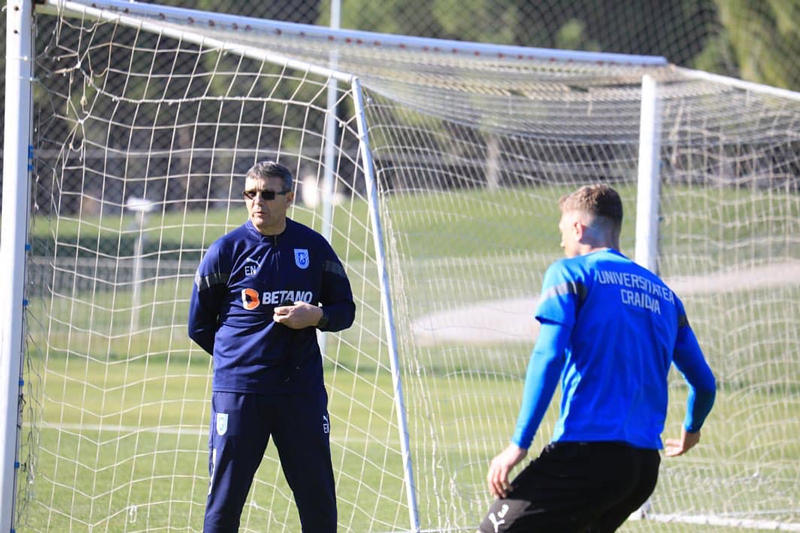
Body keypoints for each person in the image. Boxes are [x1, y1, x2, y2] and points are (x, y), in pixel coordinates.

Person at [480, 184, 716, 533]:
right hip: (641, 468)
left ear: (578, 228)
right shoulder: (666, 297)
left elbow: (548, 355)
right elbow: (705, 384)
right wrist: (691, 429)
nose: (561, 241)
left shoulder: (571, 273)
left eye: (563, 230)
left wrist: (519, 444)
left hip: (586, 455)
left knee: (494, 530)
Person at [188, 161, 355, 532]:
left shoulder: (313, 248)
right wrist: (241, 359)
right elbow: (199, 326)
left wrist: (315, 316)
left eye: (267, 194)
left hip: (300, 392)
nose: (257, 201)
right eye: (250, 194)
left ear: (289, 198)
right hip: (240, 394)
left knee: (318, 501)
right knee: (224, 502)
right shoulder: (226, 250)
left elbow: (345, 310)